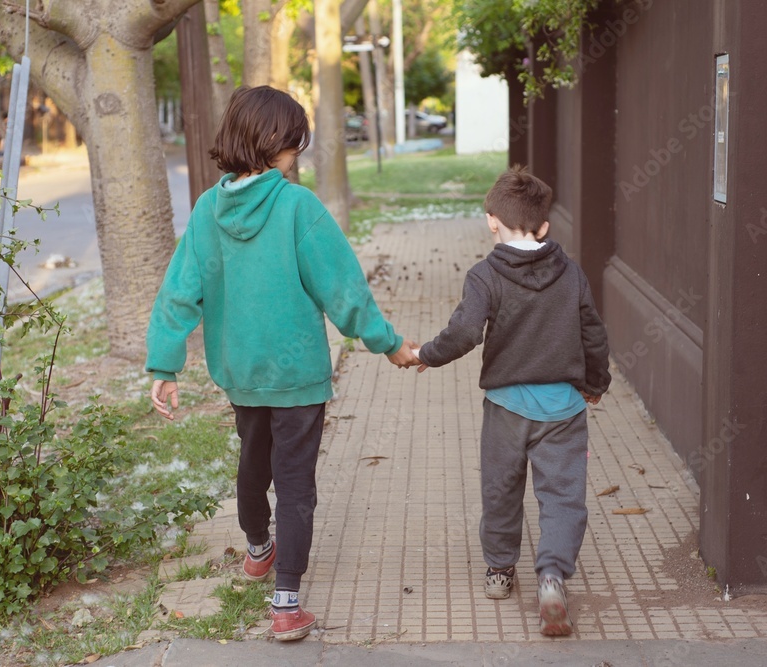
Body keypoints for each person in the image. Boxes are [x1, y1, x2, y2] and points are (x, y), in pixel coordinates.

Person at [145, 86, 420, 642]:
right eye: (295, 143)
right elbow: (342, 287)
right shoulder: (298, 206)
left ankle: (257, 548)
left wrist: (164, 365)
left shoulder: (206, 209)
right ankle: (287, 604)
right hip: (298, 377)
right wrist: (386, 342)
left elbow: (180, 291)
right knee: (296, 485)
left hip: (241, 371)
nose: (298, 154)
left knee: (253, 459)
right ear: (275, 143)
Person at [414, 166, 611, 637]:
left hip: (505, 409)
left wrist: (426, 355)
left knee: (501, 490)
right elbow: (593, 335)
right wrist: (596, 383)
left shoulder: (485, 275)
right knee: (563, 498)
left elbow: (464, 332)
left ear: (491, 221)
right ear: (544, 227)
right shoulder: (571, 274)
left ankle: (501, 571)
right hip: (564, 408)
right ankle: (551, 577)